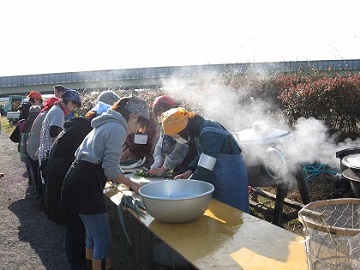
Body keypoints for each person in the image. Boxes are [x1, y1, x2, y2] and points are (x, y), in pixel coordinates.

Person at [60, 96, 150, 270]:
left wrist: (117, 177)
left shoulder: (104, 124)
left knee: (93, 235)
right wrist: (134, 185)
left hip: (76, 179)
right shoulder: (117, 129)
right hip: (86, 186)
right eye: (139, 126)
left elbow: (86, 156)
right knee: (103, 238)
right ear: (134, 116)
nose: (135, 131)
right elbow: (111, 170)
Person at [44, 92, 116, 270]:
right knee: (75, 224)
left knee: (76, 223)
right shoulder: (92, 127)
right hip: (64, 174)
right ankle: (77, 264)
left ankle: (82, 263)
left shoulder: (84, 122)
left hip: (59, 171)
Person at [161, 108, 249, 213]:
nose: (177, 139)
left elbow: (205, 167)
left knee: (232, 213)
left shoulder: (208, 133)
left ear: (184, 130)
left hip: (230, 176)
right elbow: (203, 154)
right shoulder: (198, 129)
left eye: (176, 136)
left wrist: (187, 185)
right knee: (218, 212)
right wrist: (190, 170)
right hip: (217, 174)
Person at [148, 95, 197, 177]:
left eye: (162, 112)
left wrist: (164, 168)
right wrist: (157, 161)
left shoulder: (180, 124)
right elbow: (160, 145)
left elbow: (180, 148)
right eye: (157, 113)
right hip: (176, 167)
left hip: (188, 165)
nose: (160, 115)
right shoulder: (163, 127)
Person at [26, 97, 59, 201]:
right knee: (40, 175)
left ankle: (38, 195)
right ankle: (41, 198)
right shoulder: (50, 115)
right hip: (36, 147)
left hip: (31, 145)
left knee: (36, 173)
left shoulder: (43, 113)